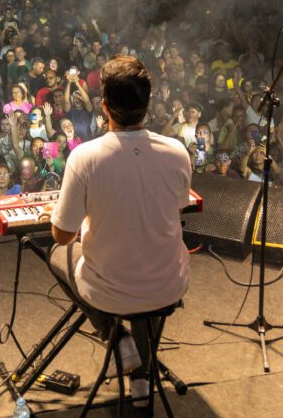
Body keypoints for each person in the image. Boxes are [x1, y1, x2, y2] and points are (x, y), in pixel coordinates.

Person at [49, 55, 192, 406]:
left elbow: (62, 236)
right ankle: (141, 380)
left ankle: (117, 339)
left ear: (103, 106)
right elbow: (173, 207)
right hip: (168, 285)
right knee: (142, 257)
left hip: (109, 294)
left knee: (56, 255)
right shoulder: (177, 152)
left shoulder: (85, 157)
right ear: (147, 103)